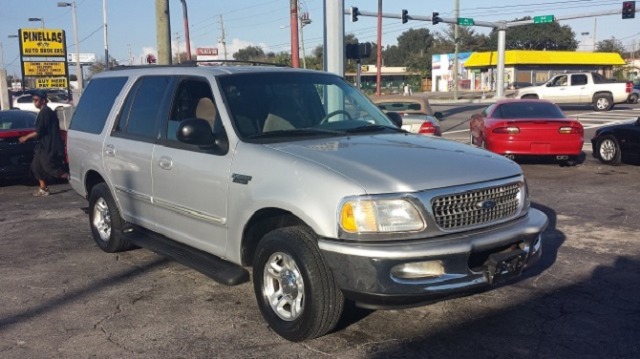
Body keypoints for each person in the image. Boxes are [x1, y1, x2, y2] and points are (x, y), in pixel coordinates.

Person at [19, 90, 69, 197]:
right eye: (33, 100)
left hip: (49, 145)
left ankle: (70, 177)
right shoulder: (43, 112)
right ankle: (43, 189)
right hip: (42, 146)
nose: (34, 102)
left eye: (36, 100)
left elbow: (38, 132)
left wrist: (25, 137)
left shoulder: (45, 112)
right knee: (36, 167)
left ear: (43, 101)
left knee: (50, 167)